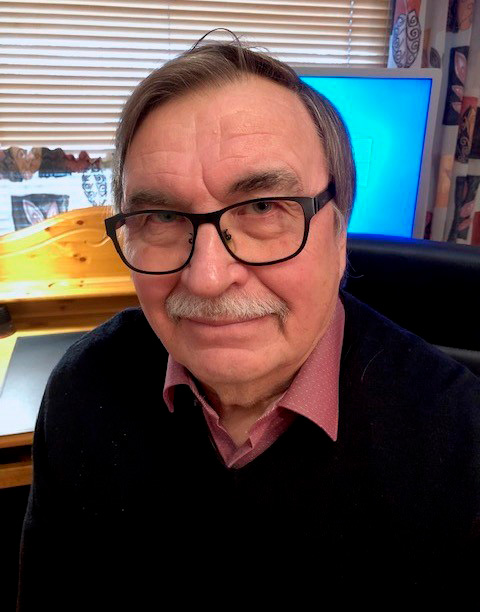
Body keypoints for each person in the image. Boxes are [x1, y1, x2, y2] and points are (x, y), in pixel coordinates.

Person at [17, 34, 480, 609]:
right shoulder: (84, 388)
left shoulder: (461, 442)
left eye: (263, 208)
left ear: (339, 235)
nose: (208, 278)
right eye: (161, 216)